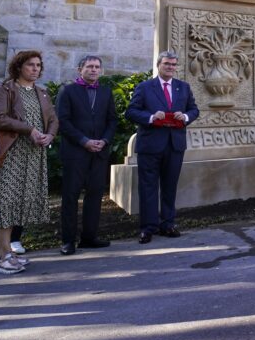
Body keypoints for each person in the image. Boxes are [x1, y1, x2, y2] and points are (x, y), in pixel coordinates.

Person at [0, 50, 58, 275]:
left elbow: (52, 119)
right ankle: (4, 256)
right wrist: (29, 129)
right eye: (31, 65)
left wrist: (49, 135)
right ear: (19, 67)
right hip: (11, 152)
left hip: (34, 153)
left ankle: (0, 253)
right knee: (7, 202)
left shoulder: (42, 92)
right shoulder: (5, 88)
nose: (36, 69)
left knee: (20, 202)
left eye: (38, 65)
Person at [125, 51, 199, 244]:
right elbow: (131, 111)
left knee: (169, 186)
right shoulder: (145, 87)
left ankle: (168, 224)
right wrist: (150, 118)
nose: (171, 67)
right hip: (150, 145)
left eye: (174, 64)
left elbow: (194, 109)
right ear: (158, 65)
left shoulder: (183, 87)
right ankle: (148, 228)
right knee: (148, 187)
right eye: (167, 64)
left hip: (174, 145)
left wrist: (186, 117)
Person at [55, 55, 118, 255]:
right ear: (80, 69)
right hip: (75, 153)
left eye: (97, 67)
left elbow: (112, 120)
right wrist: (84, 141)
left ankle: (89, 238)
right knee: (71, 197)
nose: (94, 70)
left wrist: (105, 141)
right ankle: (68, 241)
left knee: (95, 195)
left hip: (99, 153)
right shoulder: (67, 91)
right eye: (89, 66)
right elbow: (63, 122)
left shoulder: (106, 92)